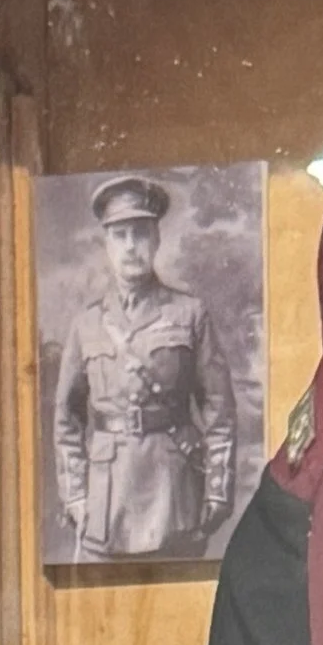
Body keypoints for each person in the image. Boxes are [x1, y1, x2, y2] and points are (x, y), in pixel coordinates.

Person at [52, 174, 237, 559]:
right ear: (106, 244)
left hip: (173, 496)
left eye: (139, 233)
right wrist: (76, 496)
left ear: (156, 239)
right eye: (119, 235)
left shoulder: (189, 314)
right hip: (105, 503)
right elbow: (67, 420)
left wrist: (218, 488)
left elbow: (219, 410)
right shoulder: (86, 325)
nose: (130, 246)